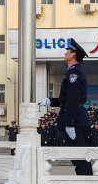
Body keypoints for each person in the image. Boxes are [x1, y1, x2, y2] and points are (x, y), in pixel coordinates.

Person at [40, 39, 93, 175]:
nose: (65, 53)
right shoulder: (72, 71)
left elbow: (74, 99)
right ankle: (85, 181)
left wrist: (70, 123)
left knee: (79, 156)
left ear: (73, 54)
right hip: (75, 118)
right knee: (76, 155)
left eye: (67, 51)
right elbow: (69, 98)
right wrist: (51, 101)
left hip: (75, 120)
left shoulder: (73, 73)